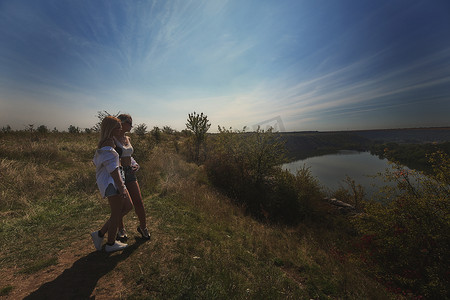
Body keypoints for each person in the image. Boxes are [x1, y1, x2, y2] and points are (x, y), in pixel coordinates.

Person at [91, 116, 133, 252]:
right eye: (118, 126)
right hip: (112, 182)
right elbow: (112, 169)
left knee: (127, 207)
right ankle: (110, 244)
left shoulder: (108, 142)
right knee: (116, 213)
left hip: (114, 180)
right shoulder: (108, 144)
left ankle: (100, 234)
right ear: (111, 128)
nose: (121, 128)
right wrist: (121, 187)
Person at [113, 114, 151, 240]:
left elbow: (129, 155)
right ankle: (121, 229)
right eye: (129, 122)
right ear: (121, 123)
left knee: (139, 201)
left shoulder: (127, 138)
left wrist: (136, 165)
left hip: (130, 172)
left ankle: (143, 227)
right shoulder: (112, 139)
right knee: (121, 204)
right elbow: (112, 157)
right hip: (119, 173)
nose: (131, 125)